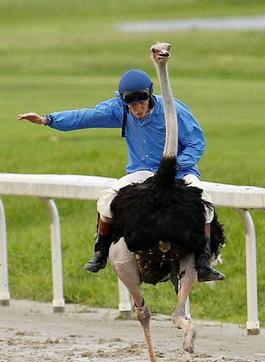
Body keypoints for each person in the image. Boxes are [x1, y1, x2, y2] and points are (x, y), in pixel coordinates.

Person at [18, 69, 224, 282]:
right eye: (132, 105)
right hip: (142, 172)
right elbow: (85, 116)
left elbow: (196, 142)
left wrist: (175, 165)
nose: (137, 109)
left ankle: (203, 262)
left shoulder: (174, 109)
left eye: (141, 103)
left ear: (150, 96)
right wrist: (47, 120)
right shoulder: (119, 109)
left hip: (179, 172)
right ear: (123, 101)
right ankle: (100, 252)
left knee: (204, 202)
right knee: (107, 200)